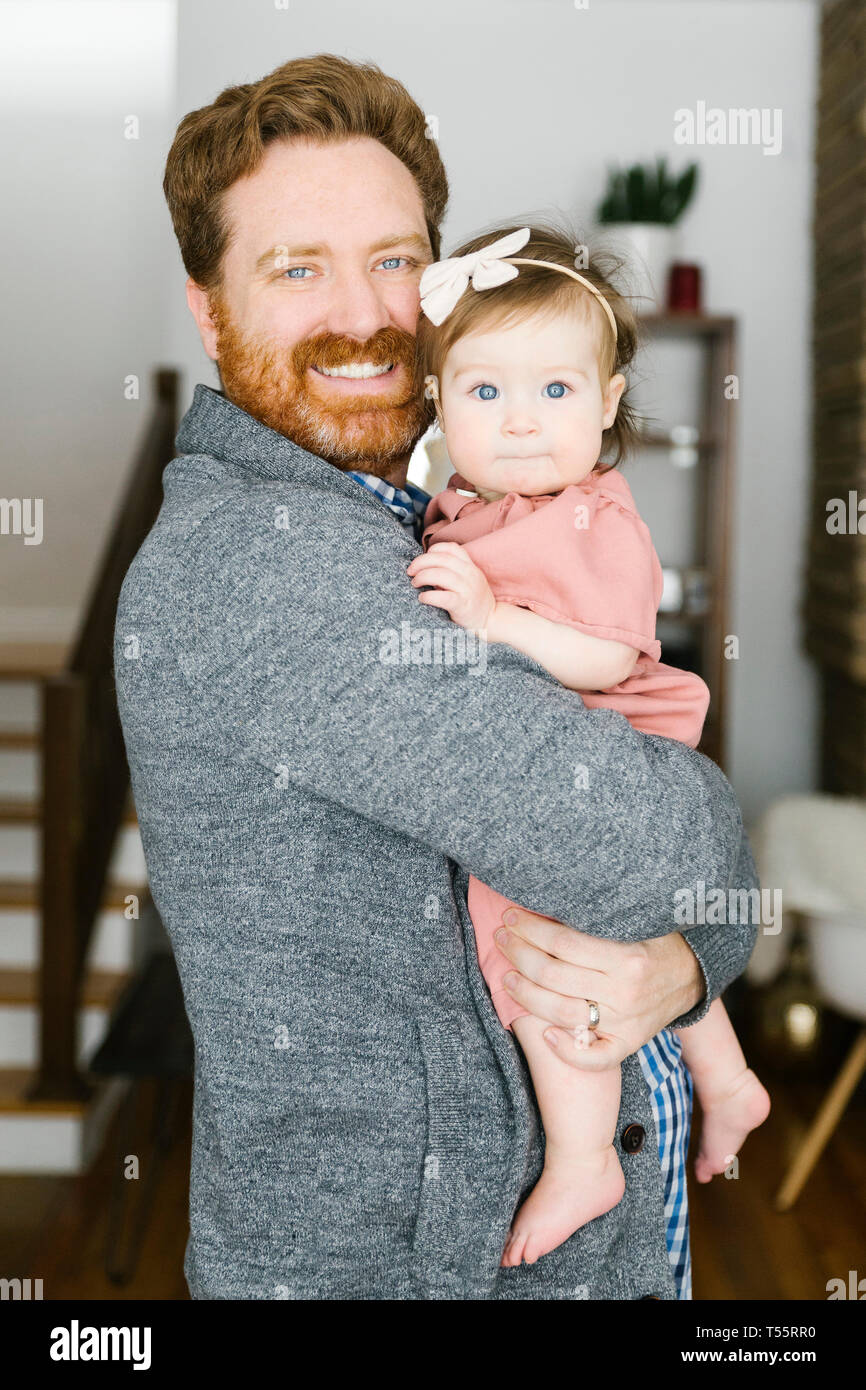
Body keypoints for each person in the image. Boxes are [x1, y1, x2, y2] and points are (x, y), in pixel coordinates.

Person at [115, 53, 759, 1299]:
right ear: (208, 309)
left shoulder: (411, 516)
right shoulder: (264, 560)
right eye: (296, 267)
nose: (365, 314)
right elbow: (635, 844)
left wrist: (683, 962)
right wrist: (709, 901)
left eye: (395, 260)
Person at [410, 221, 771, 1269]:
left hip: (607, 739)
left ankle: (582, 1155)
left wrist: (487, 622)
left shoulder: (592, 516)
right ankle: (727, 1074)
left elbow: (610, 656)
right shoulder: (466, 512)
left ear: (607, 403)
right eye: (483, 393)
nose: (519, 422)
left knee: (529, 940)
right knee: (628, 938)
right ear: (437, 404)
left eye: (555, 392)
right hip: (561, 756)